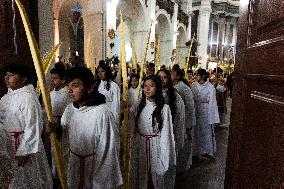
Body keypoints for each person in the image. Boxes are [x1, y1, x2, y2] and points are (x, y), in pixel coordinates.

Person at [50, 66, 123, 189]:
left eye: (75, 86)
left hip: (94, 169)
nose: (69, 90)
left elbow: (108, 151)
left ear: (89, 88)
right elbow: (66, 138)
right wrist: (56, 129)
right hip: (74, 165)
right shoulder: (69, 110)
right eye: (68, 85)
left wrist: (101, 182)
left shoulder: (102, 113)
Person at [0, 62, 52, 188]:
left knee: (27, 179)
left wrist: (24, 151)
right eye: (6, 75)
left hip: (24, 146)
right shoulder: (5, 98)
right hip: (9, 145)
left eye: (11, 75)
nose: (7, 78)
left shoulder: (29, 98)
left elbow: (33, 126)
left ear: (23, 78)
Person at [130, 75, 176, 189]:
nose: (147, 89)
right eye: (145, 86)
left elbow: (166, 135)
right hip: (140, 146)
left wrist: (164, 157)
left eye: (151, 86)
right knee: (140, 176)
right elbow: (132, 129)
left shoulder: (164, 109)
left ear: (158, 88)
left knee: (153, 178)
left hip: (156, 147)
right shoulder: (138, 105)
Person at [157, 69, 185, 188]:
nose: (162, 80)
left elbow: (180, 119)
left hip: (170, 135)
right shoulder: (152, 95)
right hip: (156, 137)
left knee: (168, 164)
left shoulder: (176, 97)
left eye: (165, 77)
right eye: (159, 77)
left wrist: (178, 138)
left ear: (169, 79)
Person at [191, 69, 220, 159]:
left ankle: (206, 150)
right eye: (194, 74)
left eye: (197, 75)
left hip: (205, 111)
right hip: (195, 109)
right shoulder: (193, 85)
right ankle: (195, 151)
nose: (194, 76)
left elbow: (212, 103)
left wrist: (213, 117)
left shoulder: (210, 87)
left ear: (203, 76)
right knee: (195, 130)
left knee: (205, 131)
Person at [171, 64, 196, 170]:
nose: (170, 75)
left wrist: (189, 124)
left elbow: (190, 107)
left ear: (177, 76)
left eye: (172, 74)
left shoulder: (182, 87)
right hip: (178, 120)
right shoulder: (174, 86)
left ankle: (182, 167)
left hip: (185, 120)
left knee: (184, 144)